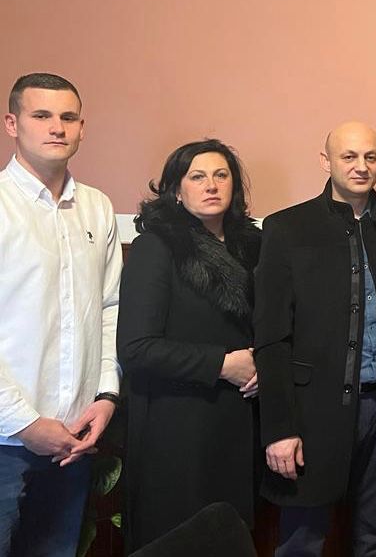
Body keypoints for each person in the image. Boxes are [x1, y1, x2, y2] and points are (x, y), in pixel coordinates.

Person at [254, 121, 376, 557]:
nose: (360, 166)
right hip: (310, 414)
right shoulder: (287, 228)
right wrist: (279, 428)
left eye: (370, 157)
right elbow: (271, 337)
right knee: (302, 542)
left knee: (374, 537)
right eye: (349, 156)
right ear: (325, 161)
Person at [117, 139, 262, 550]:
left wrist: (263, 364)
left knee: (229, 540)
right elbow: (136, 348)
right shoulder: (156, 247)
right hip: (174, 430)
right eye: (197, 177)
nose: (211, 185)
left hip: (239, 423)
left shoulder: (254, 247)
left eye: (221, 175)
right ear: (177, 191)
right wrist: (222, 364)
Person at [0, 73, 121, 557]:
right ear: (12, 123)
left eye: (68, 117)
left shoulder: (97, 207)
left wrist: (106, 395)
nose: (57, 127)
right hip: (5, 439)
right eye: (41, 115)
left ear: (82, 128)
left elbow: (110, 309)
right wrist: (25, 423)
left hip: (74, 440)